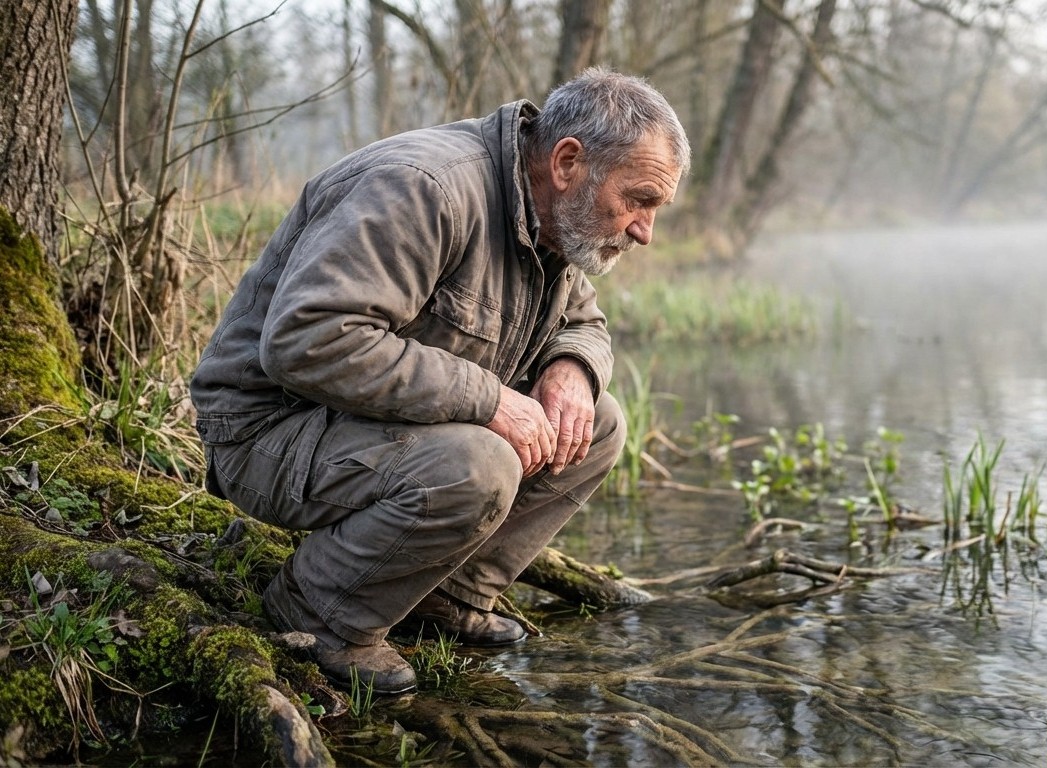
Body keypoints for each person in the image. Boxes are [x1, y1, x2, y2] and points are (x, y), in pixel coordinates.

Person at [190, 68, 690, 694]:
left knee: (599, 423)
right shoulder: (423, 189)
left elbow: (585, 323)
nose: (645, 230)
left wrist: (572, 369)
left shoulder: (552, 214)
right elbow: (308, 340)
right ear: (568, 162)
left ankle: (444, 594)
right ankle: (319, 611)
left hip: (366, 425)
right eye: (639, 199)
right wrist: (489, 400)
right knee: (477, 465)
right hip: (268, 433)